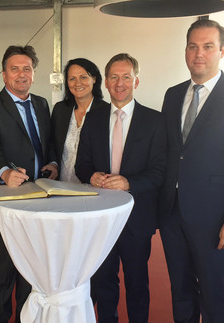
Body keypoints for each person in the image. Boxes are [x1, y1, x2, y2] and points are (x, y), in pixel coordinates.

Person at [159, 19, 224, 323]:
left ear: (222, 50)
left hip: (214, 218)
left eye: (207, 46)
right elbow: (170, 153)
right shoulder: (173, 94)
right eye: (193, 46)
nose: (198, 54)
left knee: (213, 293)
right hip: (172, 213)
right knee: (180, 289)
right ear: (186, 50)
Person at [75, 53, 166, 323]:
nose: (120, 82)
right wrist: (90, 176)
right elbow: (81, 165)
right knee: (103, 282)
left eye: (126, 76)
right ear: (105, 82)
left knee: (137, 282)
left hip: (137, 217)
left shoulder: (155, 121)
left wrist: (129, 182)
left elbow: (160, 171)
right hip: (101, 218)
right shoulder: (93, 118)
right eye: (114, 76)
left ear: (136, 81)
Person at [0, 45, 58, 323]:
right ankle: (0, 316)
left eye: (27, 69)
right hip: (7, 197)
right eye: (15, 69)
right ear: (4, 74)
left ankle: (27, 314)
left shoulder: (41, 104)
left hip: (40, 195)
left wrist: (53, 164)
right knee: (5, 263)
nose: (21, 74)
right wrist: (3, 172)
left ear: (34, 74)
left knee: (32, 262)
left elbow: (47, 143)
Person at [51, 58, 108, 183]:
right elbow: (52, 144)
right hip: (60, 186)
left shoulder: (106, 112)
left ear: (94, 78)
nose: (78, 83)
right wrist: (53, 163)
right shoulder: (60, 110)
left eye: (83, 77)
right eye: (72, 79)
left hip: (93, 186)